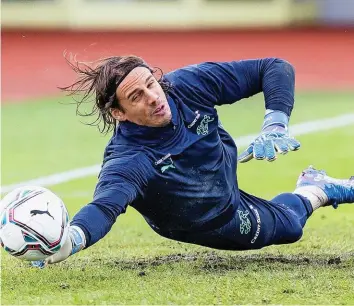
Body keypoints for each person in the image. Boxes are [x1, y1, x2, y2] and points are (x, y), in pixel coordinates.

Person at [33, 56, 354, 267]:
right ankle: (314, 190)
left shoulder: (186, 85)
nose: (154, 97)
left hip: (221, 174)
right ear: (119, 114)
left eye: (150, 83)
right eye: (136, 97)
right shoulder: (128, 161)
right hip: (207, 218)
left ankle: (312, 185)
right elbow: (104, 207)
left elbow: (273, 68)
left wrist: (275, 123)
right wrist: (71, 240)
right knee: (290, 227)